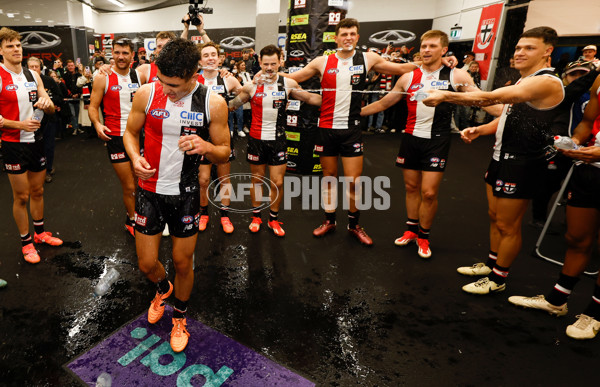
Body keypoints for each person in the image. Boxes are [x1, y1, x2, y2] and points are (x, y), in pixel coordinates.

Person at [285, 18, 456, 245]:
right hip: (326, 128)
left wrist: (441, 61)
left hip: (352, 129)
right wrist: (265, 77)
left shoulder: (368, 58)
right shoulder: (321, 61)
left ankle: (354, 225)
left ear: (357, 37)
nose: (348, 38)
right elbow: (292, 78)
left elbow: (402, 68)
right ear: (336, 38)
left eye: (352, 34)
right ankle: (329, 221)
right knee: (328, 178)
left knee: (354, 181)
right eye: (343, 34)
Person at [423, 26, 565, 293]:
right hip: (501, 157)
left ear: (548, 52)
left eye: (529, 48)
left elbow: (493, 97)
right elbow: (507, 113)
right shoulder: (525, 80)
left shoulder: (546, 81)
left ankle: (498, 280)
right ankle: (491, 263)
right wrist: (481, 129)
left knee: (507, 225)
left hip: (522, 162)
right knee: (494, 217)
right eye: (519, 47)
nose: (520, 52)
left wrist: (447, 95)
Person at [123, 38, 230, 352]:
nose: (165, 89)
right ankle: (162, 288)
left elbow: (224, 153)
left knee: (183, 263)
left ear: (194, 76)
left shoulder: (213, 102)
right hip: (149, 190)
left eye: (174, 85)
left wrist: (207, 147)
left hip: (185, 194)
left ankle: (180, 317)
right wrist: (134, 157)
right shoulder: (147, 92)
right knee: (146, 263)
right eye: (162, 81)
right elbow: (130, 133)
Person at [361, 30, 500, 258]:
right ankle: (411, 230)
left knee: (428, 193)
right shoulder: (409, 77)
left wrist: (506, 112)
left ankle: (424, 236)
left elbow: (481, 100)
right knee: (411, 188)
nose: (426, 50)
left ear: (443, 50)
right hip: (410, 138)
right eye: (424, 46)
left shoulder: (457, 76)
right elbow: (386, 101)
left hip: (437, 140)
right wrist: (356, 113)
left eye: (432, 46)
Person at [508, 73, 600, 340]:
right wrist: (576, 144)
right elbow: (587, 121)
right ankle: (556, 300)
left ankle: (594, 314)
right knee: (576, 239)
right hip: (590, 170)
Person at [228, 44, 322, 236]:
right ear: (260, 63)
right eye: (265, 64)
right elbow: (231, 106)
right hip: (256, 139)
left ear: (280, 62)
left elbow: (311, 99)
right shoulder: (251, 86)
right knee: (256, 180)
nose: (269, 68)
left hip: (279, 140)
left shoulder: (288, 84)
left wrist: (334, 98)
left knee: (277, 182)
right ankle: (256, 216)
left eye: (273, 63)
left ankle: (273, 219)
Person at [0, 27, 62, 264]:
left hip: (36, 140)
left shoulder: (32, 75)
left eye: (18, 45)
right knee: (22, 196)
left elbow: (47, 103)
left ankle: (40, 233)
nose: (16, 49)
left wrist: (47, 102)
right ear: (1, 50)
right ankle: (26, 243)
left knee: (38, 191)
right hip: (13, 144)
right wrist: (18, 125)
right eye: (10, 46)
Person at [88, 37, 140, 237]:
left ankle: (139, 215)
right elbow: (93, 106)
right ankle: (132, 220)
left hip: (138, 136)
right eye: (117, 52)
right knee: (128, 184)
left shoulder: (139, 75)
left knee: (140, 182)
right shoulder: (103, 77)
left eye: (125, 53)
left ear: (132, 55)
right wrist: (97, 123)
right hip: (116, 137)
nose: (120, 57)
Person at [197, 41, 243, 234]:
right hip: (200, 136)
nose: (210, 58)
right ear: (200, 60)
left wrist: (231, 106)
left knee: (224, 179)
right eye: (206, 55)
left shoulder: (228, 80)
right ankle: (204, 213)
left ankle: (225, 215)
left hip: (223, 137)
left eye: (213, 55)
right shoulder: (193, 79)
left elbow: (245, 95)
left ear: (219, 58)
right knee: (203, 180)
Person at [27, 57, 61, 183]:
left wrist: (49, 101)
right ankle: (34, 171)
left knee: (49, 146)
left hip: (49, 119)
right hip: (30, 121)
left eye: (37, 66)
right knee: (33, 147)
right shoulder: (25, 81)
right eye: (32, 67)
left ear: (41, 67)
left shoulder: (48, 80)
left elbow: (59, 96)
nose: (35, 69)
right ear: (27, 68)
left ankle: (48, 170)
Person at [62, 59, 82, 135]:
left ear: (74, 66)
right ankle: (75, 128)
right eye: (69, 66)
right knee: (73, 114)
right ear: (67, 67)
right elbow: (64, 87)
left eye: (72, 66)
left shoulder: (78, 75)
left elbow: (81, 85)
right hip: (69, 98)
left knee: (78, 113)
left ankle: (78, 127)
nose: (70, 67)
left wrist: (78, 94)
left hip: (78, 97)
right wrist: (71, 95)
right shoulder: (65, 76)